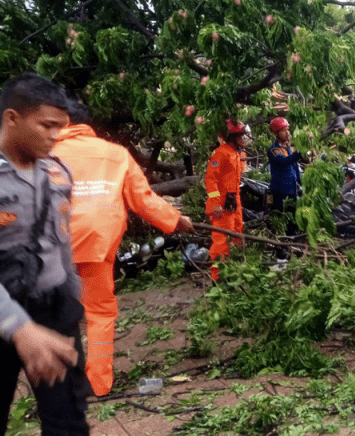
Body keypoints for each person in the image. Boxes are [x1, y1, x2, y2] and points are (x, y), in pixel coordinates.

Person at [52, 100, 194, 397]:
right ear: (85, 124)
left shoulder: (42, 154)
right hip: (96, 244)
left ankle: (57, 388)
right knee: (100, 313)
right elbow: (143, 200)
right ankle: (98, 384)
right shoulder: (115, 155)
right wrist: (176, 220)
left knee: (53, 314)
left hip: (53, 245)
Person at [0, 74, 89, 435]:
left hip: (54, 312)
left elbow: (62, 242)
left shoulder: (57, 173)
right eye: (47, 126)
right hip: (5, 315)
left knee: (68, 421)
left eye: (61, 128)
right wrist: (18, 328)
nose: (55, 137)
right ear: (12, 118)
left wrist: (73, 299)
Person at [206, 119, 247, 261]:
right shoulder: (221, 153)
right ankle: (218, 277)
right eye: (241, 136)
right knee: (221, 243)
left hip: (234, 204)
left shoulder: (235, 154)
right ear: (232, 137)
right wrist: (216, 203)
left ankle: (233, 272)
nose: (244, 139)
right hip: (222, 207)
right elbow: (211, 180)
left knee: (237, 238)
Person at [267, 117, 302, 224]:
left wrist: (301, 184)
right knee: (280, 218)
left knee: (291, 218)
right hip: (279, 191)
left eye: (288, 130)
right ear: (276, 133)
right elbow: (285, 161)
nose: (287, 133)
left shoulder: (289, 148)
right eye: (284, 130)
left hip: (292, 189)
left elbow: (295, 167)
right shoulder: (273, 149)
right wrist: (301, 150)